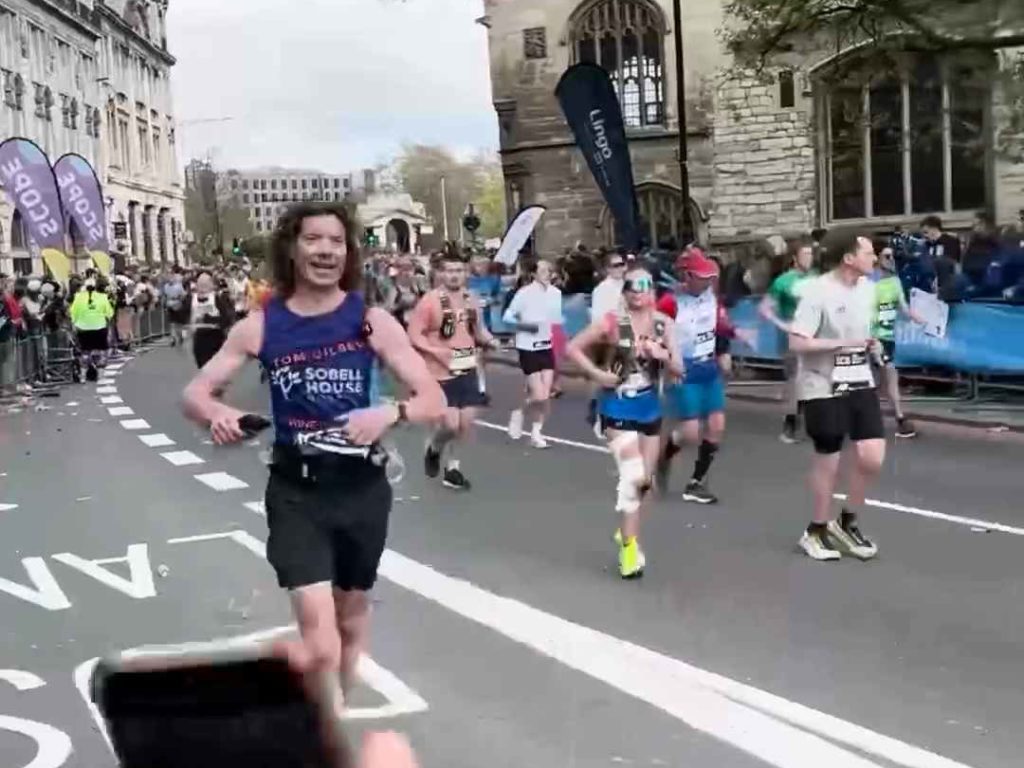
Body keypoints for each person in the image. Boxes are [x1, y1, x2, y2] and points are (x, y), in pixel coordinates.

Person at [183, 203, 445, 714]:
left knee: (349, 622)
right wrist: (217, 413)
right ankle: (327, 735)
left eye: (336, 241)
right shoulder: (261, 326)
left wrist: (390, 412)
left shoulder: (370, 322)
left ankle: (337, 711)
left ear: (347, 253)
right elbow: (195, 392)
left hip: (362, 489)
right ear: (292, 247)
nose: (325, 250)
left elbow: (432, 397)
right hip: (295, 492)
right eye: (313, 239)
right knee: (321, 640)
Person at [567, 267, 681, 579]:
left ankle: (626, 531)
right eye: (630, 285)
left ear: (652, 291)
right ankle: (629, 550)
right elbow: (572, 348)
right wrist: (599, 374)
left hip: (649, 408)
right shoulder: (611, 323)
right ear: (624, 291)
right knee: (633, 477)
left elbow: (679, 369)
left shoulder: (663, 324)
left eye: (643, 285)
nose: (636, 291)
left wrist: (662, 354)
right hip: (616, 404)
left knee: (645, 483)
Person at [789, 233, 885, 562]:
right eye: (869, 252)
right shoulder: (817, 292)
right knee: (828, 458)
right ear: (849, 258)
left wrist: (871, 344)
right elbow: (797, 343)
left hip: (860, 378)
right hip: (823, 383)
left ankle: (846, 522)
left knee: (872, 456)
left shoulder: (868, 289)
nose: (875, 258)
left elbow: (862, 334)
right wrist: (839, 345)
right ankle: (815, 531)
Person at [657, 249, 751, 504]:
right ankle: (663, 457)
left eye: (710, 276)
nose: (708, 281)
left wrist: (736, 334)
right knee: (689, 433)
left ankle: (697, 482)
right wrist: (667, 360)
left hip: (708, 367)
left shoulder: (711, 297)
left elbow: (720, 324)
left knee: (717, 425)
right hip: (683, 369)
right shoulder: (669, 302)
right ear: (687, 276)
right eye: (702, 276)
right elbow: (653, 333)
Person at [408, 252, 499, 491]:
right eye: (449, 271)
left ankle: (453, 469)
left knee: (465, 424)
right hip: (439, 372)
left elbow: (479, 331)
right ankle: (434, 449)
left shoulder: (472, 299)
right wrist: (435, 351)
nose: (454, 275)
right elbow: (414, 334)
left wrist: (491, 340)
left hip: (466, 365)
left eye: (459, 271)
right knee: (450, 424)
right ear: (441, 274)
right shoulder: (430, 301)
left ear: (466, 273)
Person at [760, 240, 817, 443]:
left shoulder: (816, 278)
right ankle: (790, 424)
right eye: (805, 254)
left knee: (814, 378)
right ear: (795, 258)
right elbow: (765, 308)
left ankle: (811, 420)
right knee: (795, 378)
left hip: (814, 335)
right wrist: (783, 324)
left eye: (811, 254)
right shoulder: (783, 281)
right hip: (792, 337)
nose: (809, 258)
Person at [502, 259, 563, 449]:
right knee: (539, 395)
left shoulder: (556, 293)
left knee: (545, 396)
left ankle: (536, 433)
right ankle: (519, 412)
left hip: (546, 346)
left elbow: (555, 319)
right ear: (534, 274)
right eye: (543, 270)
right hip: (527, 346)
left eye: (549, 270)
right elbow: (507, 316)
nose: (547, 273)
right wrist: (525, 326)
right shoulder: (524, 293)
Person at [872, 246, 925, 438]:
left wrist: (917, 318)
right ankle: (898, 418)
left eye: (892, 256)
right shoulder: (867, 282)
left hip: (888, 338)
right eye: (886, 256)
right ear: (876, 258)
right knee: (878, 378)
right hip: (870, 338)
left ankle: (899, 417)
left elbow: (903, 306)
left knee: (889, 378)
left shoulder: (895, 281)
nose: (891, 259)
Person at [69, 277, 114, 381]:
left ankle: (83, 376)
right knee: (101, 351)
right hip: (100, 327)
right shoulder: (103, 297)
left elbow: (73, 313)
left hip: (83, 328)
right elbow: (109, 313)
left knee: (85, 351)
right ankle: (101, 375)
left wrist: (75, 323)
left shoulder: (78, 297)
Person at [189, 271, 235, 369]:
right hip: (199, 339)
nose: (202, 286)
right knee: (203, 368)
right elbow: (183, 314)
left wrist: (210, 319)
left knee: (215, 369)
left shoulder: (217, 298)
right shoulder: (191, 299)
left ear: (211, 285)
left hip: (215, 337)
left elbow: (227, 318)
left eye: (205, 283)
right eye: (200, 283)